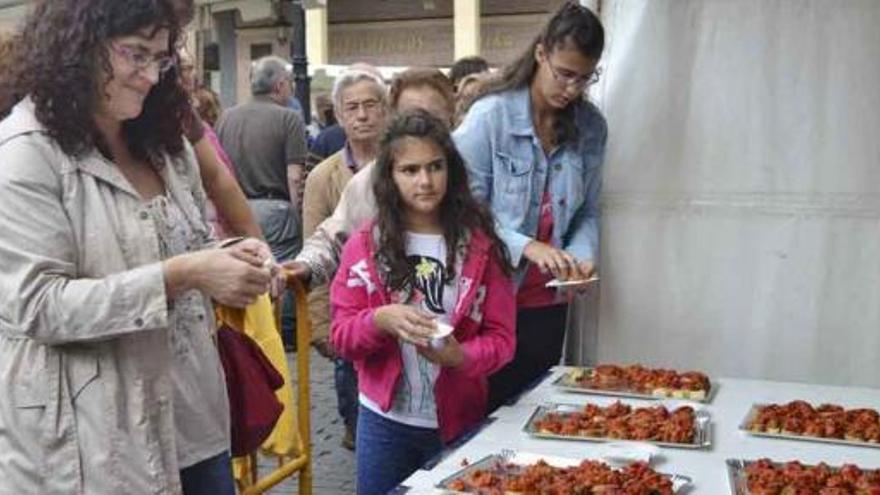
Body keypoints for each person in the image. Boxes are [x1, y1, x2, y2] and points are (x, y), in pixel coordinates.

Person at [0, 1, 273, 493]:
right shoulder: (24, 154)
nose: (150, 75)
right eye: (135, 54)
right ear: (77, 48)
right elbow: (37, 306)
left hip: (195, 418)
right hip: (94, 440)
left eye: (162, 58)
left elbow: (185, 243)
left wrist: (232, 258)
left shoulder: (166, 144)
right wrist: (183, 274)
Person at [330, 110, 515, 494]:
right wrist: (378, 320)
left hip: (459, 420)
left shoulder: (480, 246)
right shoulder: (365, 246)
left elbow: (502, 339)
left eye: (435, 166)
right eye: (410, 170)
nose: (426, 181)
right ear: (389, 177)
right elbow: (341, 336)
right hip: (384, 421)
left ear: (452, 169)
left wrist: (460, 357)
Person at [453, 1, 607, 412]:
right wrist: (527, 246)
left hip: (547, 303)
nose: (572, 88)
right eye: (564, 74)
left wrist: (581, 257)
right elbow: (463, 208)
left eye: (584, 78)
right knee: (483, 415)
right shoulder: (490, 117)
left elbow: (588, 210)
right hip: (488, 297)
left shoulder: (591, 126)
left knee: (533, 408)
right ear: (541, 53)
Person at [286, 68, 456, 286]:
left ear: (451, 116)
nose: (422, 130)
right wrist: (307, 266)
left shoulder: (474, 170)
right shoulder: (374, 178)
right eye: (411, 118)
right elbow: (334, 235)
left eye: (432, 118)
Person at [302, 65, 388, 450]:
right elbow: (317, 245)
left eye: (371, 105)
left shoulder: (405, 165)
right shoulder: (323, 176)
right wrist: (320, 326)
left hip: (398, 307)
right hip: (350, 313)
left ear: (386, 109)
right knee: (356, 417)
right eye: (352, 107)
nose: (363, 115)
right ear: (338, 115)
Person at [216, 55, 308, 262]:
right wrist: (298, 216)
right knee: (282, 278)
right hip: (276, 211)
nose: (291, 89)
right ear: (280, 86)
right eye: (290, 84)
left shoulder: (226, 117)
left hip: (235, 208)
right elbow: (294, 176)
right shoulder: (289, 118)